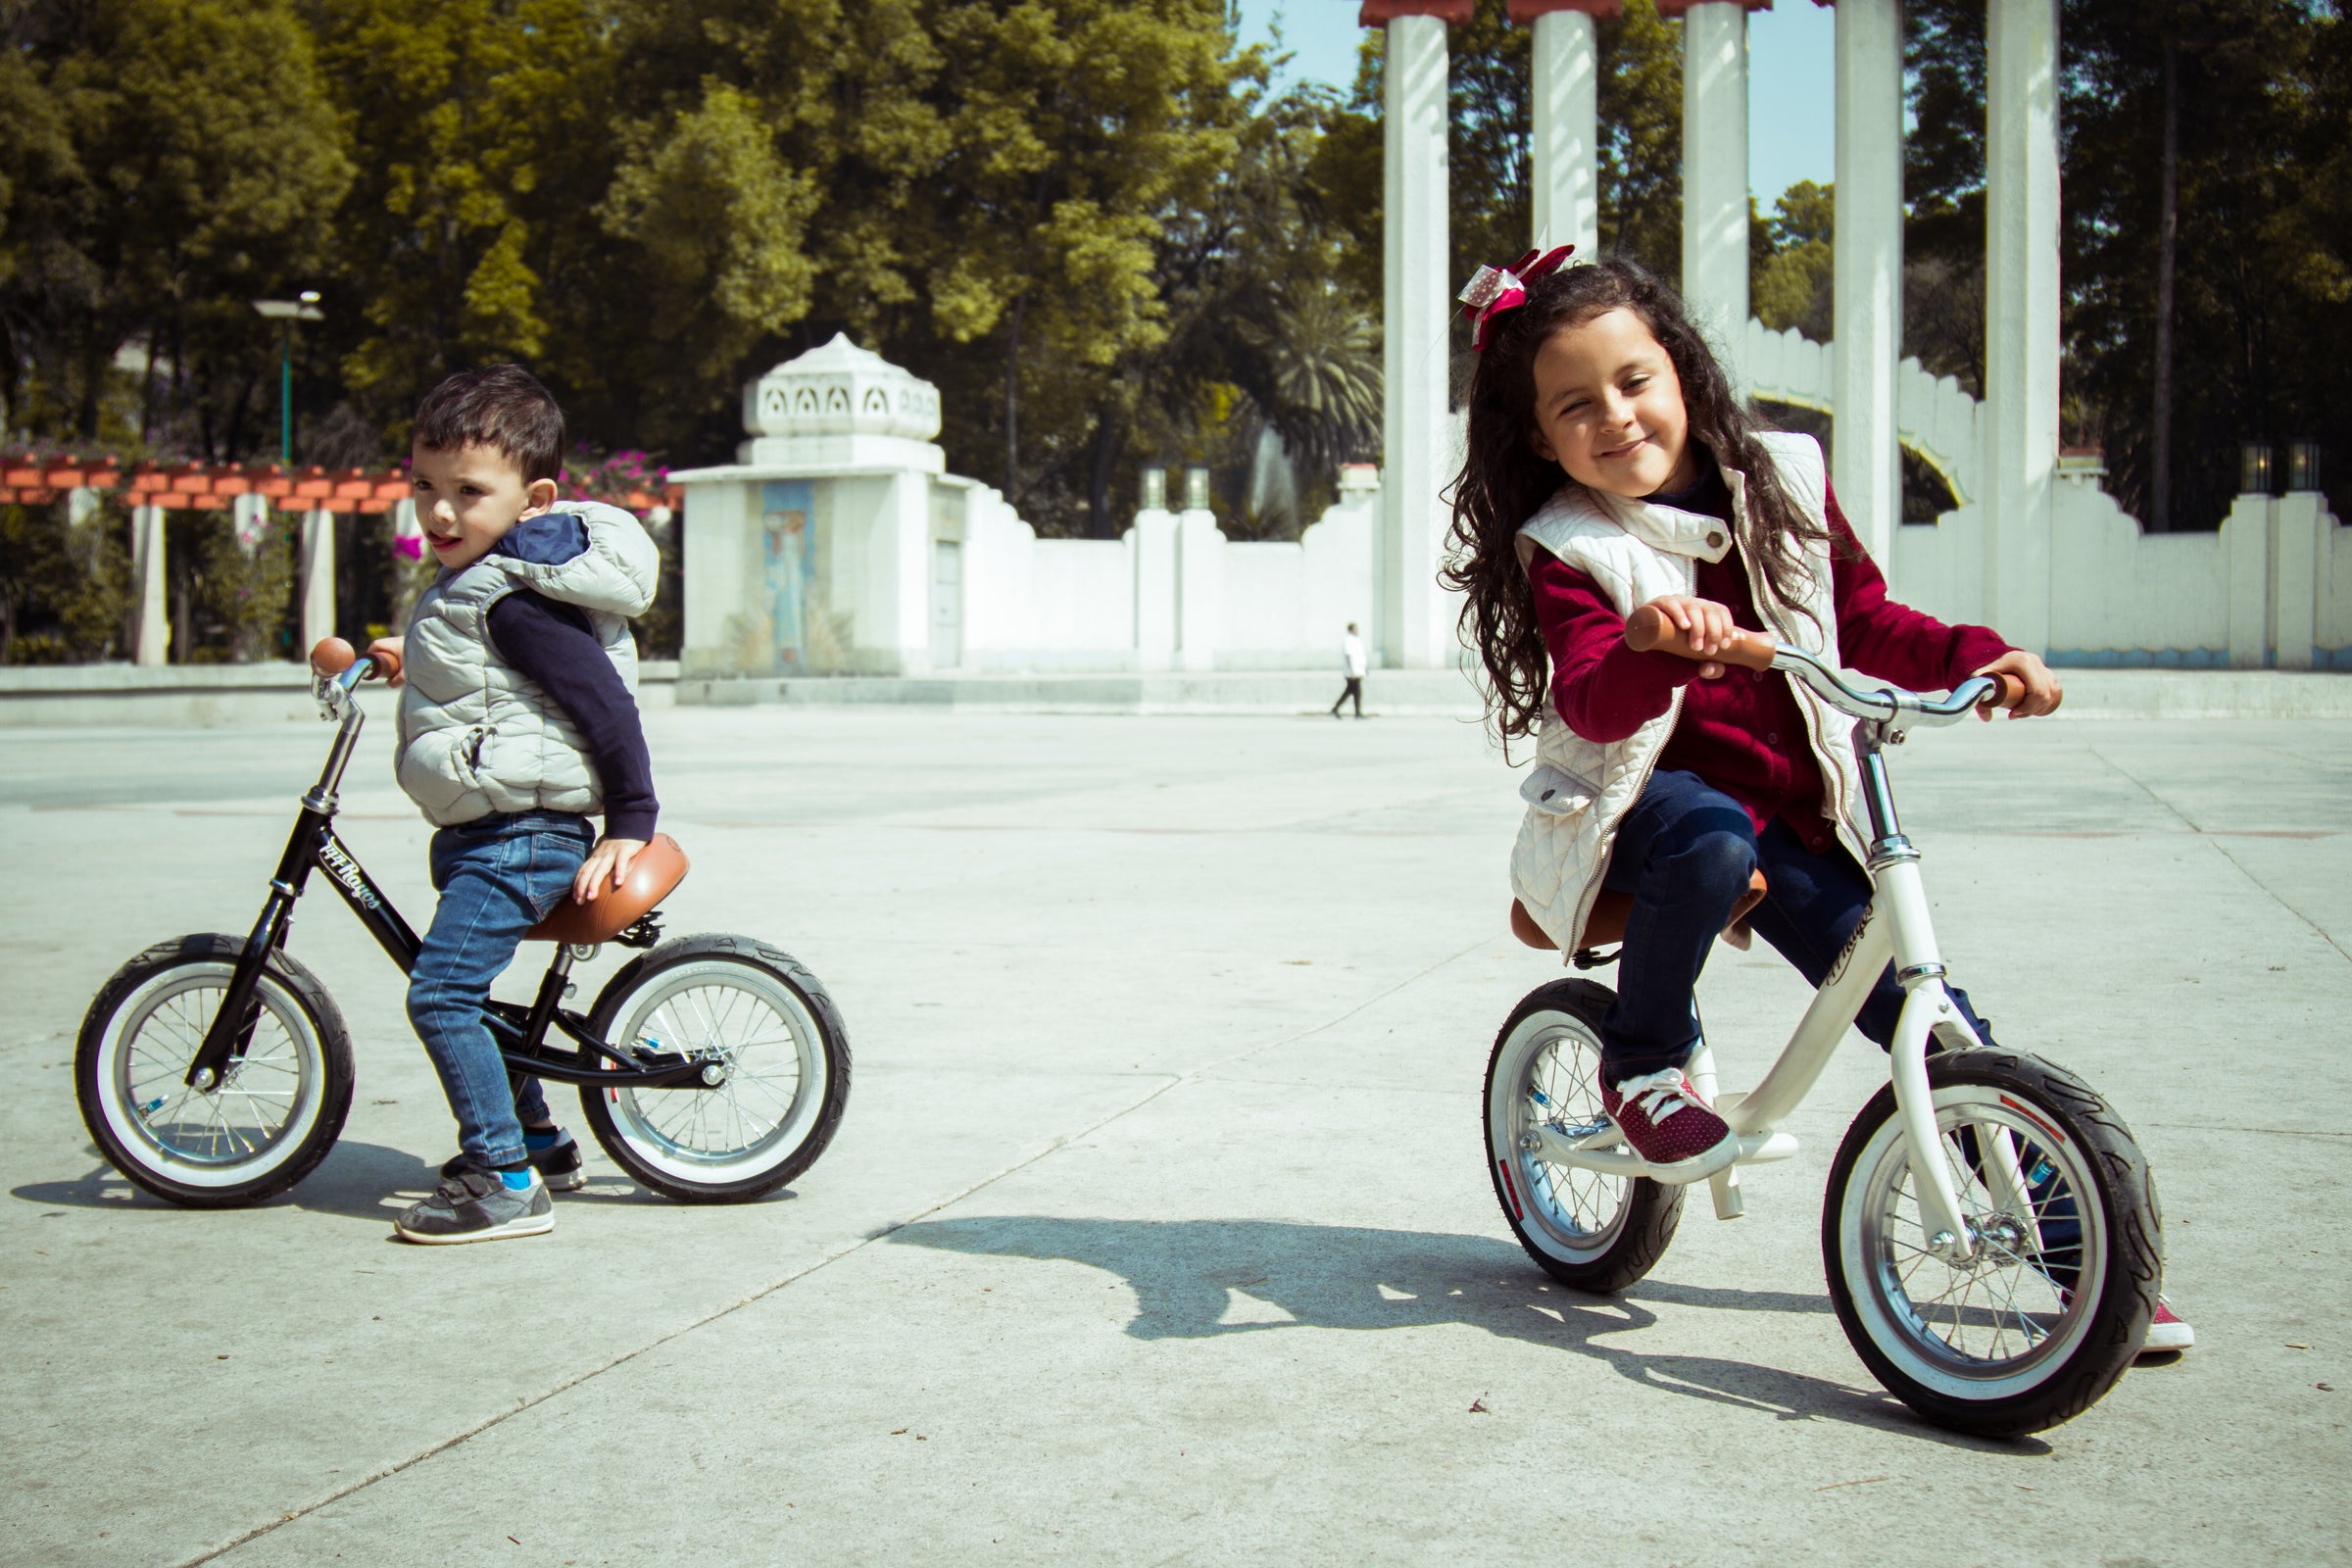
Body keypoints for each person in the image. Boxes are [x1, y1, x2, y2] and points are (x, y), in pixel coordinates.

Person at [1444, 249, 2192, 1354]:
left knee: (1921, 1010)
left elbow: (1865, 619)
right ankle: (1642, 1063)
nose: (1616, 417)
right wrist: (1653, 639)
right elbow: (1596, 701)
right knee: (1705, 839)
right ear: (1541, 437)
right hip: (1651, 796)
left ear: (1683, 370)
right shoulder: (1570, 541)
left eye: (1635, 380)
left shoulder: (1783, 477)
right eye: (1575, 406)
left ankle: (2083, 1259)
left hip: (1800, 802)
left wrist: (1984, 659)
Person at [364, 365, 662, 1244]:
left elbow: (605, 705)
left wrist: (631, 822)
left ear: (533, 500)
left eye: (468, 492)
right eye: (425, 487)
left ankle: (503, 1177)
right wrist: (403, 657)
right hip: (491, 829)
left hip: (522, 837)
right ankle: (541, 1140)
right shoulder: (483, 582)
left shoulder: (519, 600)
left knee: (442, 996)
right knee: (478, 995)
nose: (440, 513)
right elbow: (489, 686)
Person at [1331, 621, 1367, 718]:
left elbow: (1360, 656)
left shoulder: (1357, 640)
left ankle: (1336, 709)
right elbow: (1348, 656)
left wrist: (1364, 668)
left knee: (1350, 692)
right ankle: (1357, 713)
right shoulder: (1348, 641)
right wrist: (1352, 672)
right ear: (1351, 630)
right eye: (1355, 629)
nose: (1357, 630)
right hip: (1352, 672)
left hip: (1358, 671)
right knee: (1356, 692)